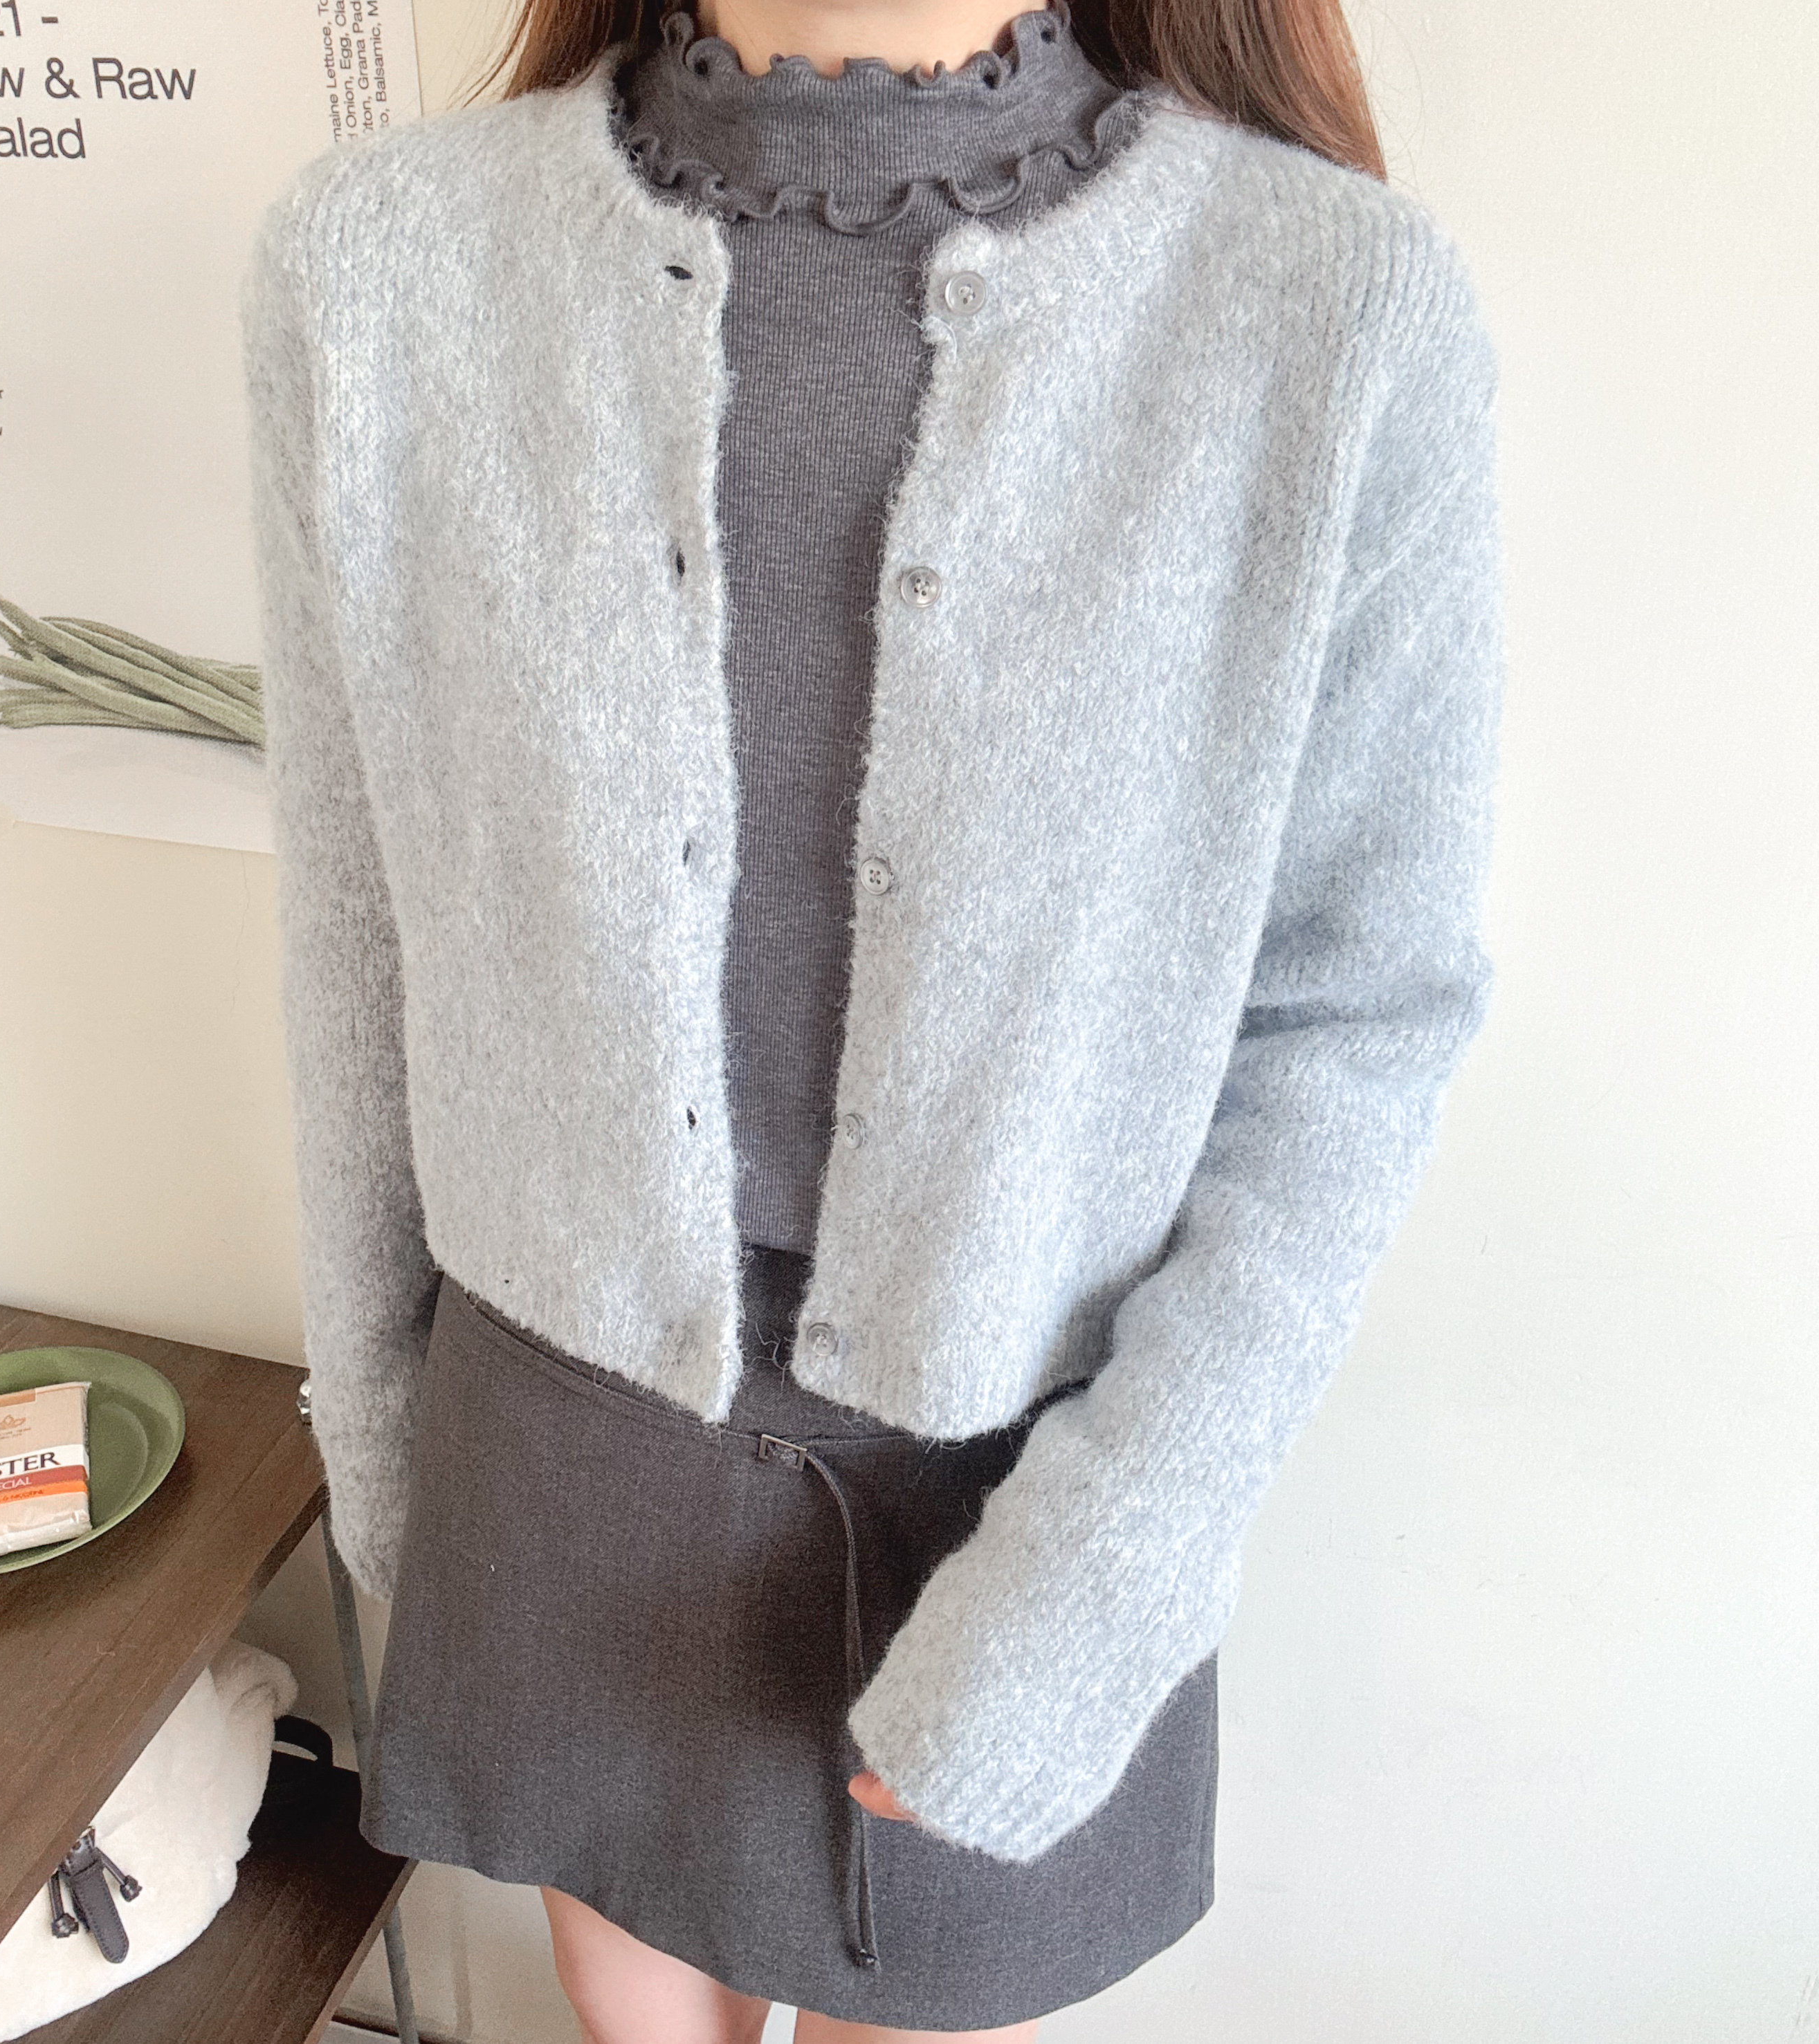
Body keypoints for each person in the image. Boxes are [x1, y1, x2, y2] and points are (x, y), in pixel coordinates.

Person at [239, 0, 1504, 2034]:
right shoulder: (377, 264)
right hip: (556, 1436)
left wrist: (1107, 1578)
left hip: (1022, 1478)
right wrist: (387, 1442)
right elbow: (354, 914)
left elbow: (1351, 1021)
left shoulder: (1333, 311)